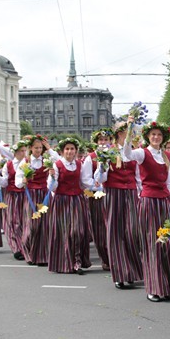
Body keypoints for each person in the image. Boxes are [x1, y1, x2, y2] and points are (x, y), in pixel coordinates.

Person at [123, 119, 170, 303]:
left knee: (168, 244)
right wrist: (130, 129)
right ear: (148, 136)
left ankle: (166, 287)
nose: (156, 137)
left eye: (159, 135)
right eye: (153, 134)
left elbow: (169, 181)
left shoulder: (166, 155)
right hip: (148, 202)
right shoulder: (142, 153)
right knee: (152, 244)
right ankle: (154, 287)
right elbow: (126, 153)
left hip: (165, 201)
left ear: (163, 138)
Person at [96, 123, 143, 289]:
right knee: (115, 233)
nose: (127, 134)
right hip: (113, 193)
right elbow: (100, 178)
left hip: (130, 194)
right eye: (124, 132)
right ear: (118, 134)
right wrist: (102, 166)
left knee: (131, 232)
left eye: (129, 131)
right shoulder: (108, 151)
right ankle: (120, 274)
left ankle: (131, 270)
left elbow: (138, 177)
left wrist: (140, 195)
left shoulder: (133, 152)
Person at [46, 138, 94, 274]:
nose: (69, 151)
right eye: (67, 149)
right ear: (62, 151)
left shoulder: (80, 164)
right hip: (62, 201)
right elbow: (52, 187)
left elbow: (85, 182)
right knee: (65, 232)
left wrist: (97, 184)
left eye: (72, 149)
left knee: (78, 231)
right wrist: (52, 177)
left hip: (77, 200)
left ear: (76, 151)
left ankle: (77, 261)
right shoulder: (57, 165)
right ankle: (65, 262)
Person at [16, 135, 58, 267]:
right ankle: (29, 252)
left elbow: (58, 159)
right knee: (31, 225)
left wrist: (49, 149)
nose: (38, 150)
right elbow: (18, 180)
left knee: (45, 225)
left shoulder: (47, 160)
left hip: (44, 194)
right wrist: (22, 182)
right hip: (31, 195)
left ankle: (43, 255)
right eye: (36, 148)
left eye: (40, 147)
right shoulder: (26, 162)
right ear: (30, 148)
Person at [87, 129, 114, 272]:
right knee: (99, 228)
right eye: (101, 140)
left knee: (112, 227)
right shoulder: (90, 157)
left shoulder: (114, 155)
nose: (103, 143)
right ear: (96, 142)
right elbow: (85, 179)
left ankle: (113, 257)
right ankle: (105, 258)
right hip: (97, 196)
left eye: (106, 140)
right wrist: (95, 184)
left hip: (112, 194)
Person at [0, 140, 28, 260]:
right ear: (15, 153)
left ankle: (24, 246)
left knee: (24, 221)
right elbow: (4, 182)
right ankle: (16, 248)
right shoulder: (8, 165)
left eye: (25, 151)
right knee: (13, 221)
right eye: (21, 151)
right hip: (12, 195)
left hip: (25, 195)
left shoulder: (27, 164)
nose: (24, 153)